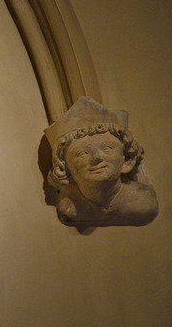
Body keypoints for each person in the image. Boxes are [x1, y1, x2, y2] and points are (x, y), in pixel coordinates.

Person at [45, 96, 157, 228]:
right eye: (82, 153)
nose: (97, 158)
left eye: (107, 148)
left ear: (127, 159)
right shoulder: (69, 206)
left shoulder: (142, 201)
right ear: (64, 168)